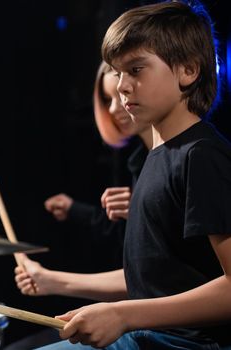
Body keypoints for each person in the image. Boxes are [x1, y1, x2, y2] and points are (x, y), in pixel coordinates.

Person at [37, 1, 231, 349]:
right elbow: (151, 281)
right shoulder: (156, 157)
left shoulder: (202, 155)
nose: (123, 86)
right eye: (117, 72)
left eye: (136, 69)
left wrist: (123, 315)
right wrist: (63, 286)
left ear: (188, 71)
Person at [4, 63, 151, 350]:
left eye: (118, 97)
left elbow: (165, 279)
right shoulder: (141, 161)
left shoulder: (193, 157)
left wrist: (119, 313)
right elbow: (143, 270)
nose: (113, 109)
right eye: (107, 100)